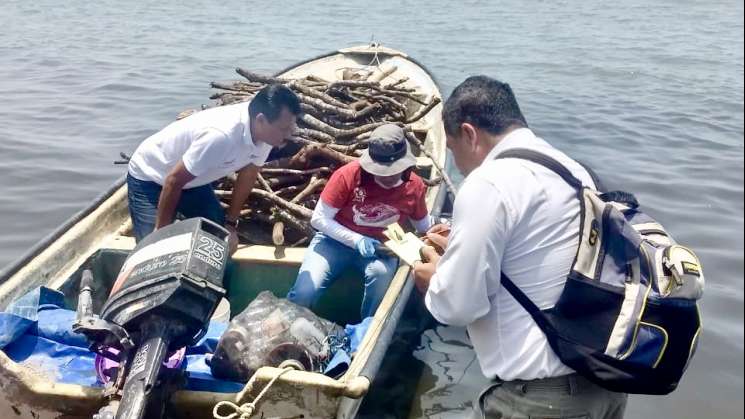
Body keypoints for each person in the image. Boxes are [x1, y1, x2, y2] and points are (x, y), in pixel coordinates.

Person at [412, 76, 628, 419]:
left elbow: (458, 307)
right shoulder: (571, 169)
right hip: (603, 382)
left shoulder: (488, 182)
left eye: (452, 151)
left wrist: (435, 280)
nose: (458, 164)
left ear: (469, 134)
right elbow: (540, 253)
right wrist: (459, 242)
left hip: (544, 401)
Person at [126, 84, 301, 249]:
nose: (288, 135)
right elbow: (173, 181)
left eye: (290, 127)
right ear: (261, 120)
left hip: (192, 180)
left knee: (219, 237)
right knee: (152, 249)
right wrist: (160, 232)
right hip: (151, 175)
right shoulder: (221, 136)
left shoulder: (266, 135)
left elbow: (248, 175)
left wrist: (231, 224)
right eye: (284, 128)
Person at [287, 124, 431, 319]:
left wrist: (436, 237)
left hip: (382, 247)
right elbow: (319, 219)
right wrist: (357, 240)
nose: (387, 176)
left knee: (380, 277)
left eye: (393, 171)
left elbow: (423, 227)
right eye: (381, 171)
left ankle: (366, 331)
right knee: (304, 293)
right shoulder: (348, 175)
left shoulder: (415, 186)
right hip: (334, 242)